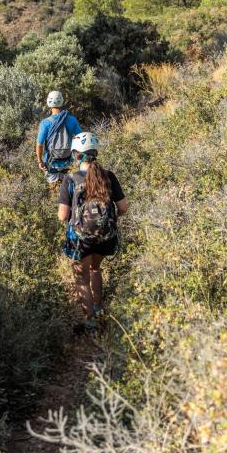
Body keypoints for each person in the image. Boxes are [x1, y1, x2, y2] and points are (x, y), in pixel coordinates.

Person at [57, 132, 128, 334]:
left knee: (82, 278)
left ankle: (90, 323)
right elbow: (123, 208)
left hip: (81, 240)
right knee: (96, 269)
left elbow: (63, 216)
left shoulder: (70, 179)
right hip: (106, 237)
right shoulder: (109, 176)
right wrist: (108, 223)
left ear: (76, 155)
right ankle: (99, 309)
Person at [36, 90, 82, 185]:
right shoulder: (72, 120)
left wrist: (40, 161)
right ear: (62, 101)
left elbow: (39, 145)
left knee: (54, 189)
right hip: (68, 162)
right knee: (68, 190)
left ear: (48, 102)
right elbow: (80, 138)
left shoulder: (45, 123)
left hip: (51, 164)